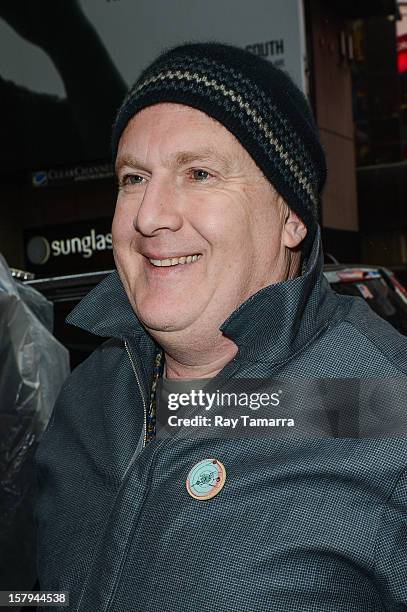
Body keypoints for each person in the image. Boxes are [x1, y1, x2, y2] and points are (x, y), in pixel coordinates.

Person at [35, 42, 407, 611]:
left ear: (290, 215)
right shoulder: (86, 397)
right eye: (134, 178)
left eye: (200, 173)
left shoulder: (388, 404)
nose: (150, 214)